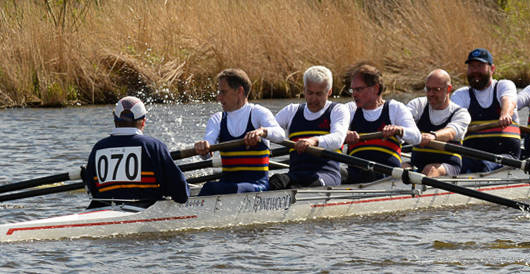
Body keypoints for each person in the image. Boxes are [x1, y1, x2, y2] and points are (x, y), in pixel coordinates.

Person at [82, 96, 189, 209]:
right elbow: (181, 194)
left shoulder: (98, 148)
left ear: (115, 120)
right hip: (144, 211)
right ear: (143, 122)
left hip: (104, 210)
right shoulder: (154, 146)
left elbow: (93, 191)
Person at [193, 68, 286, 196]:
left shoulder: (258, 113)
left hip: (257, 185)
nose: (218, 97)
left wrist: (262, 132)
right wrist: (203, 147)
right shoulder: (217, 119)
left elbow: (280, 135)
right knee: (208, 187)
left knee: (210, 188)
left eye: (223, 92)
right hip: (228, 183)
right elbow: (206, 154)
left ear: (239, 91)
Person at [271, 66, 349, 189]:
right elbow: (270, 130)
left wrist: (313, 141)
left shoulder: (337, 110)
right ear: (304, 90)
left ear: (329, 92)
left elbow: (338, 139)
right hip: (296, 175)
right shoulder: (291, 111)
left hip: (327, 175)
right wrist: (260, 133)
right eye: (310, 93)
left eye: (319, 94)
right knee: (275, 181)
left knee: (303, 183)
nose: (313, 99)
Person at [343, 63, 421, 183]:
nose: (354, 94)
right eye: (352, 90)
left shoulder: (395, 108)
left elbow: (416, 137)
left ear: (375, 88)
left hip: (388, 175)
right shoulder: (349, 109)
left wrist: (398, 130)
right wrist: (344, 133)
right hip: (356, 174)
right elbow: (332, 134)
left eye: (359, 89)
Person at [450, 48, 521, 173]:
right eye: (472, 67)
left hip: (506, 157)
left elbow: (508, 101)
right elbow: (452, 121)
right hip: (472, 157)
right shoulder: (461, 95)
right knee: (455, 164)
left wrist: (505, 114)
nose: (475, 71)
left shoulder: (504, 85)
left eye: (480, 66)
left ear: (492, 69)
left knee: (482, 166)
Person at [406, 69, 471, 177]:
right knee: (402, 169)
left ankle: (419, 191)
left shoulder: (461, 113)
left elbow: (451, 132)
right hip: (417, 163)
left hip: (448, 166)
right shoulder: (418, 104)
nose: (431, 94)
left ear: (448, 89)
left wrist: (433, 136)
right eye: (428, 89)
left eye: (436, 90)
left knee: (430, 169)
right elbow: (404, 120)